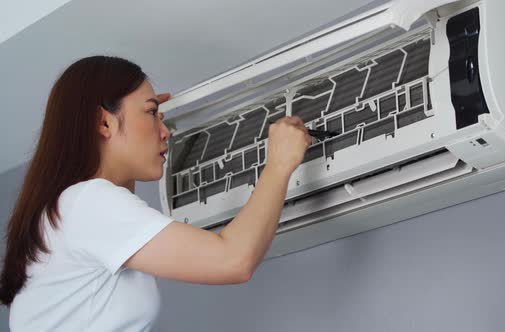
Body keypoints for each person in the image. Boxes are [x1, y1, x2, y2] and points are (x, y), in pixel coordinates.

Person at [0, 56, 312, 331]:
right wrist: (279, 164)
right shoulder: (87, 202)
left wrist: (145, 117)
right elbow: (233, 260)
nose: (166, 132)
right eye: (152, 114)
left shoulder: (71, 211)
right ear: (103, 122)